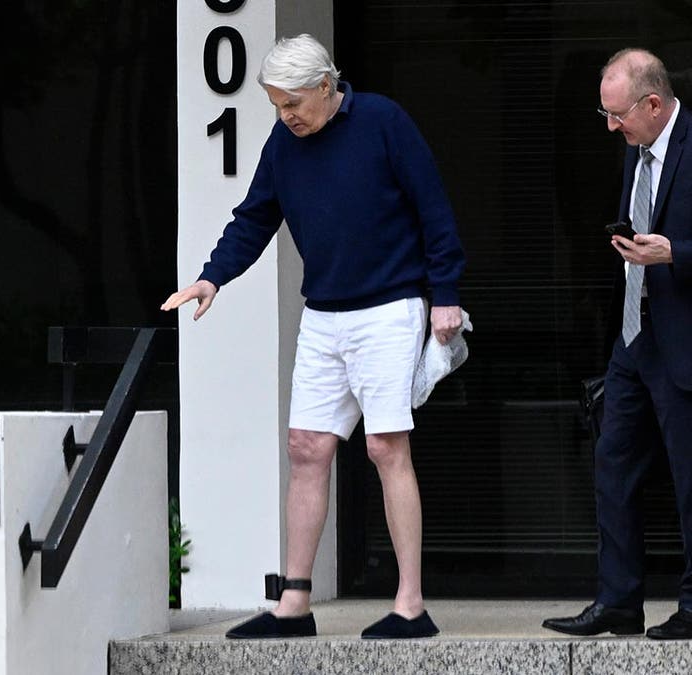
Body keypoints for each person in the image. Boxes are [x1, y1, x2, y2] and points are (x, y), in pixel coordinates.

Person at [161, 33, 465, 640]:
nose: (285, 116)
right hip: (323, 313)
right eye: (276, 105)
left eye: (292, 103)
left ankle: (410, 604)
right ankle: (294, 604)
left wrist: (447, 295)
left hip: (389, 307)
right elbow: (255, 216)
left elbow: (434, 207)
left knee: (386, 448)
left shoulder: (382, 121)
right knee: (306, 448)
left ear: (327, 86)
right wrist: (211, 277)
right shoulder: (285, 141)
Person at [542, 48, 692, 640]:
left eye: (618, 115)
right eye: (604, 112)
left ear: (654, 103)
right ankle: (618, 601)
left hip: (688, 343)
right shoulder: (637, 153)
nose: (611, 126)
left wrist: (677, 253)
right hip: (633, 337)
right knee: (612, 466)